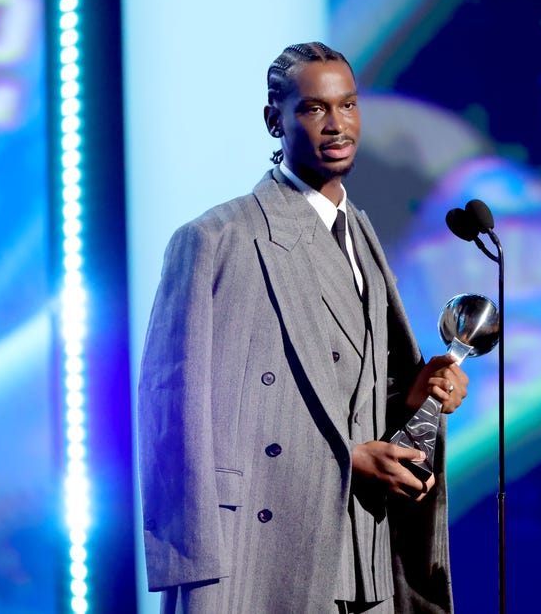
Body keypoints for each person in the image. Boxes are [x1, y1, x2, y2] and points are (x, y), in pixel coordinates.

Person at [136, 42, 469, 614]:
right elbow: (171, 414)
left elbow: (353, 391)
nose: (337, 125)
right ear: (275, 120)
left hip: (367, 556)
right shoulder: (217, 239)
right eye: (314, 109)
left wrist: (415, 398)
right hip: (262, 557)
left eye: (348, 105)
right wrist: (191, 569)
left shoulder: (360, 233)